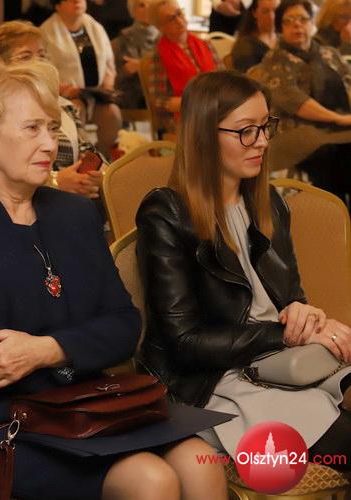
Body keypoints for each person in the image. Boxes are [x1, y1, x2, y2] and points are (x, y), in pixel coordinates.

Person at [0, 56, 227, 500]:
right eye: (32, 129)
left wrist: (47, 349)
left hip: (88, 408)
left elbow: (125, 327)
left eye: (52, 128)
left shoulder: (76, 214)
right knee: (150, 478)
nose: (50, 144)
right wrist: (80, 343)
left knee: (201, 462)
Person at [136, 70, 351, 466]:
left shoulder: (269, 203)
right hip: (215, 384)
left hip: (278, 365)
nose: (263, 141)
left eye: (265, 126)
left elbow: (291, 299)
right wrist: (285, 335)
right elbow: (185, 342)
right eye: (246, 131)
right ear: (203, 134)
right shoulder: (167, 212)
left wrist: (305, 315)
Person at [0, 20, 103, 200]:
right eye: (25, 57)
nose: (38, 63)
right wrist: (55, 181)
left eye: (42, 55)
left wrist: (95, 175)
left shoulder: (64, 106)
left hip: (71, 202)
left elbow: (88, 151)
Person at [256, 0, 351, 203]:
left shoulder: (329, 53)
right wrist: (339, 119)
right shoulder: (274, 60)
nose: (297, 25)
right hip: (295, 132)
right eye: (289, 20)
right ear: (280, 27)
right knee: (331, 154)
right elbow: (295, 101)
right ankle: (333, 211)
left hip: (336, 128)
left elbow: (348, 83)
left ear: (312, 22)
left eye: (302, 19)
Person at [41, 0, 122, 158]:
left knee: (113, 114)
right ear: (57, 4)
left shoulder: (96, 27)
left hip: (95, 95)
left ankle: (101, 157)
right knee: (76, 111)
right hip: (65, 96)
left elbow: (109, 63)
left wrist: (107, 88)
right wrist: (62, 89)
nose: (77, 0)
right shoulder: (46, 32)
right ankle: (77, 159)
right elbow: (44, 70)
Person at [149, 0, 222, 136]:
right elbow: (158, 101)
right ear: (160, 27)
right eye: (171, 19)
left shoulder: (205, 44)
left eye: (179, 13)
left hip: (215, 107)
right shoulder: (159, 55)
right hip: (185, 115)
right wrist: (191, 103)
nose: (179, 20)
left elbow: (225, 79)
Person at [112, 0, 159, 109]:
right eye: (142, 5)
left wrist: (142, 66)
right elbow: (113, 79)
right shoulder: (121, 41)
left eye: (151, 5)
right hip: (130, 101)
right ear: (133, 11)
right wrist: (125, 71)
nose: (147, 8)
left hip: (161, 98)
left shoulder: (167, 37)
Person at [231, 0, 278, 72]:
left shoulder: (285, 40)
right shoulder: (244, 45)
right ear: (254, 13)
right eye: (265, 11)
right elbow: (247, 77)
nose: (272, 17)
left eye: (276, 11)